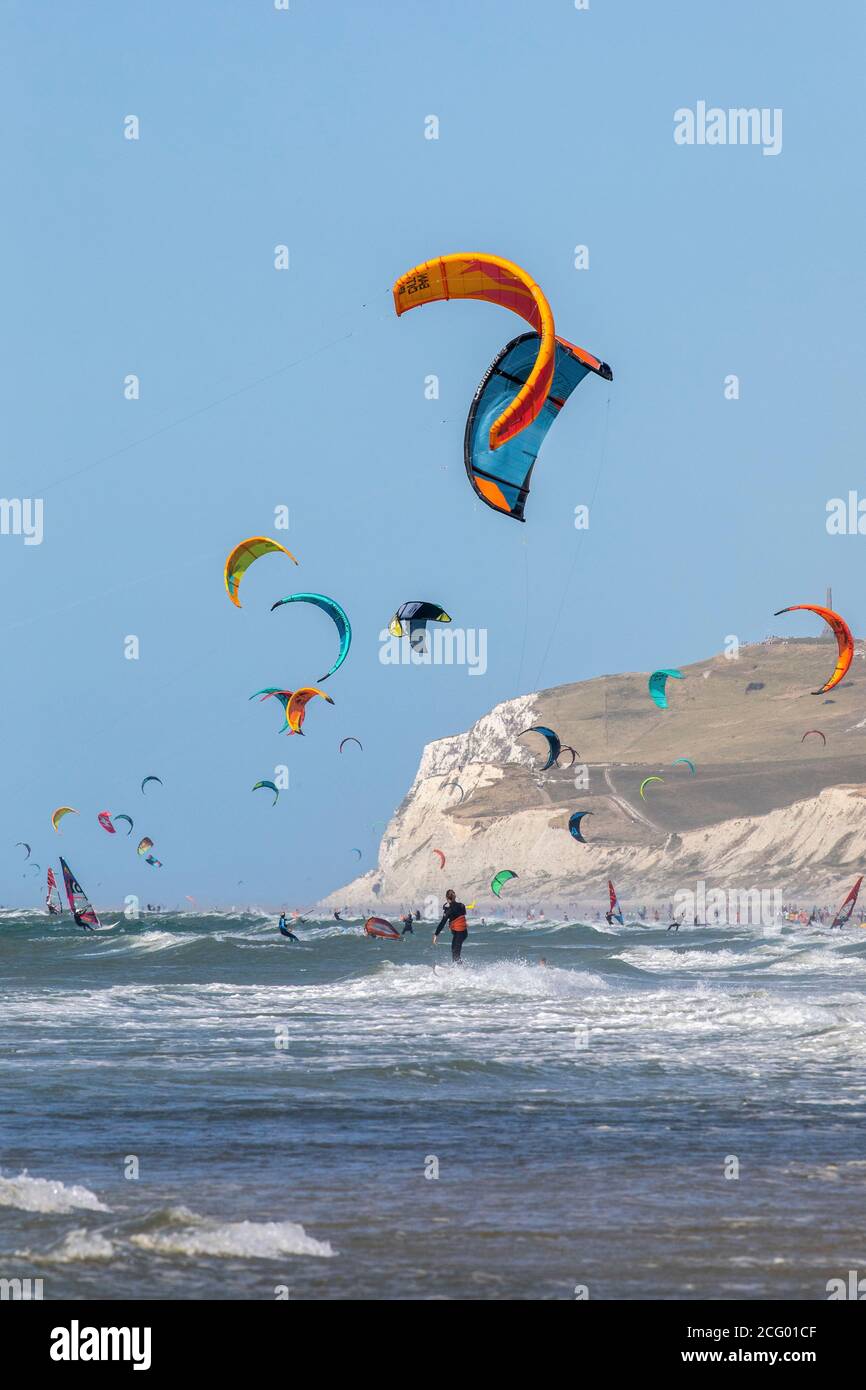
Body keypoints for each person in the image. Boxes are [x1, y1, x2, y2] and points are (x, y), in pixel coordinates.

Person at [433, 889, 468, 963]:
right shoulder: (462, 905)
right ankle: (456, 968)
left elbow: (442, 923)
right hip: (464, 933)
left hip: (459, 933)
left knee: (455, 953)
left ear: (447, 898)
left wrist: (436, 935)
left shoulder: (449, 910)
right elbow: (461, 913)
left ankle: (460, 970)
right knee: (454, 950)